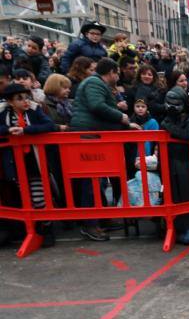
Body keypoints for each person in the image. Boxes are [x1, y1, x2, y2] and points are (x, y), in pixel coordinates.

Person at [70, 58, 141, 241]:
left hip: (94, 135)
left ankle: (101, 219)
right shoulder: (94, 82)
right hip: (88, 137)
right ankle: (90, 224)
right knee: (91, 181)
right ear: (111, 72)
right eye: (117, 73)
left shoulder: (95, 83)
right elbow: (97, 106)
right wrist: (122, 117)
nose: (118, 77)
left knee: (98, 180)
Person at [0, 83, 58, 247]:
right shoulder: (3, 112)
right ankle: (36, 231)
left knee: (39, 200)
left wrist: (26, 131)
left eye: (26, 97)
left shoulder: (34, 109)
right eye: (20, 98)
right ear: (10, 101)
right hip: (15, 164)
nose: (25, 101)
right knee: (28, 201)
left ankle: (47, 229)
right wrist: (8, 130)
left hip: (34, 162)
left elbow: (49, 125)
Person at [161, 86, 189, 244]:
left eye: (176, 104)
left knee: (188, 195)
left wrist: (169, 127)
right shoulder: (167, 118)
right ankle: (175, 226)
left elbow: (188, 134)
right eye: (169, 103)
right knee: (174, 195)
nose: (172, 107)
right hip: (171, 163)